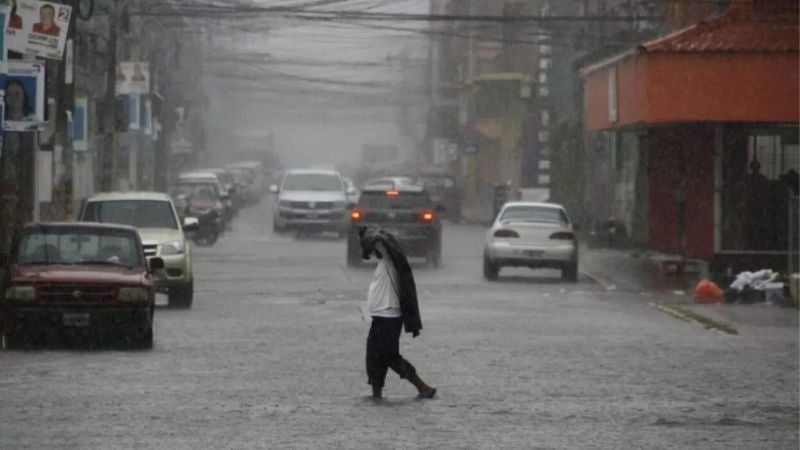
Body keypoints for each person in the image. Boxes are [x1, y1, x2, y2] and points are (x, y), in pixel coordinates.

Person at [359, 226, 436, 400]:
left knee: (389, 356)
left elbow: (379, 241)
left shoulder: (389, 261)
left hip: (389, 317)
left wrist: (367, 234)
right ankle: (376, 394)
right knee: (373, 356)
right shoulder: (383, 263)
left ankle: (422, 386)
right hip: (379, 316)